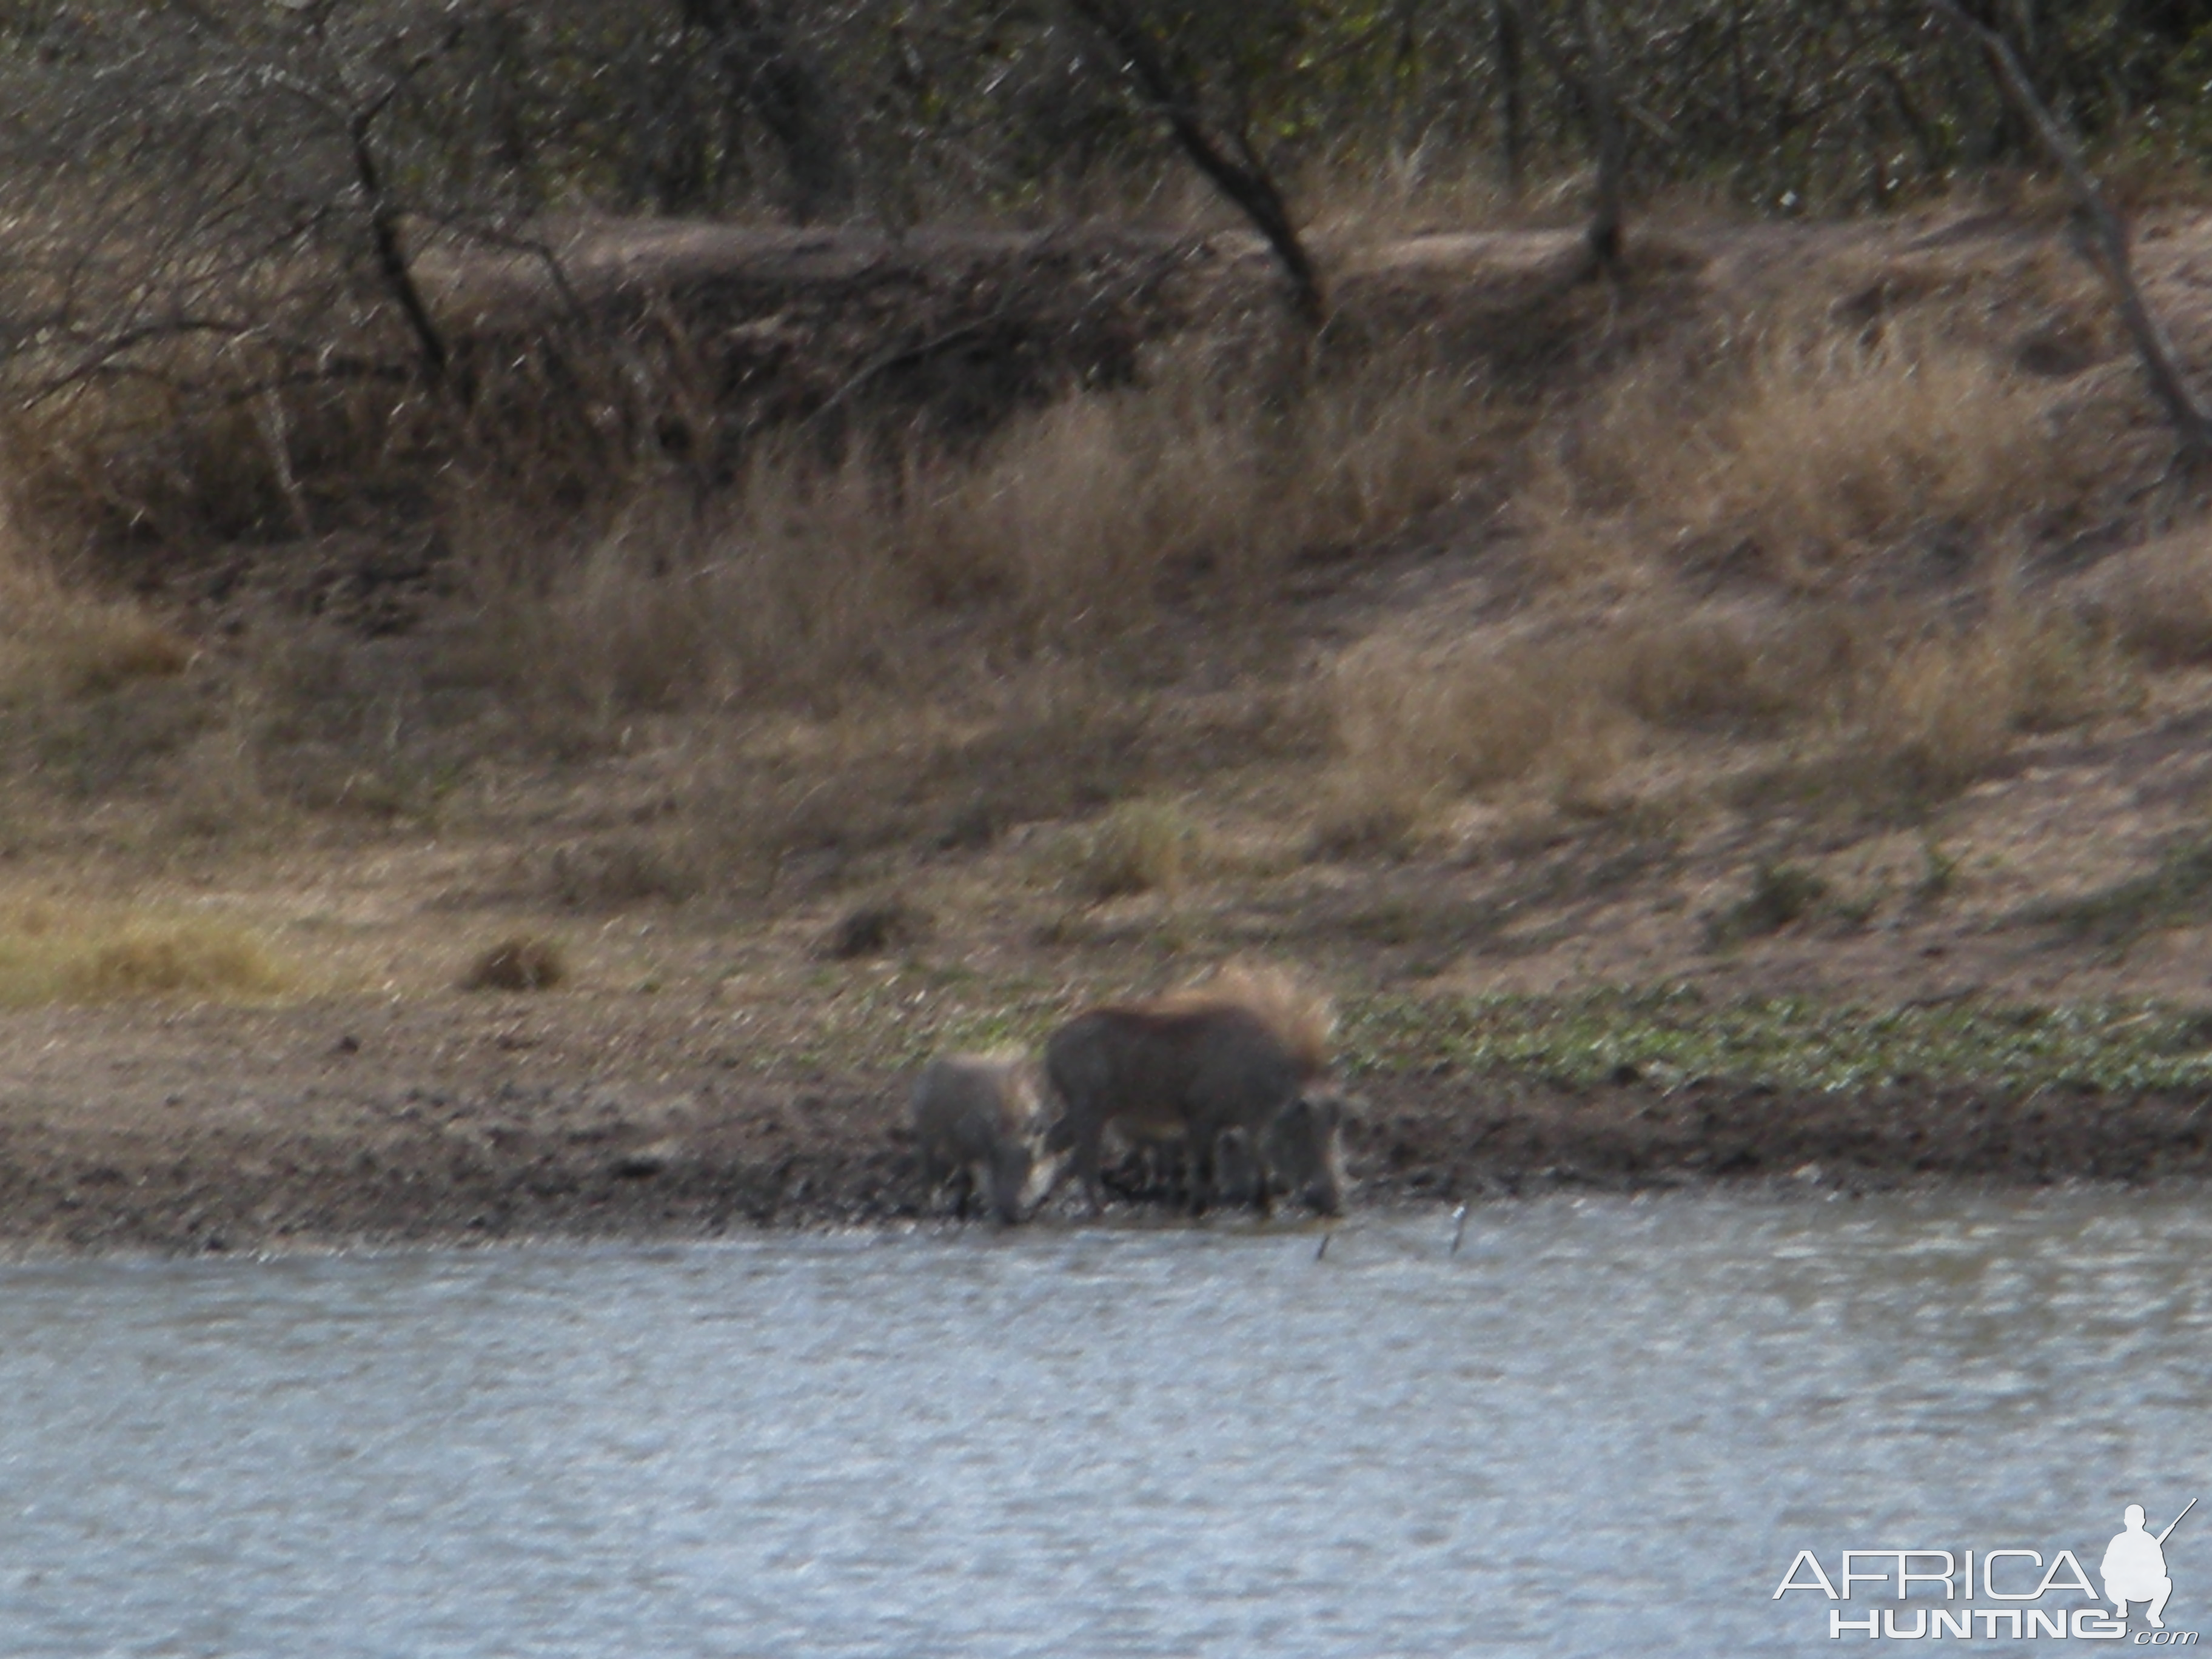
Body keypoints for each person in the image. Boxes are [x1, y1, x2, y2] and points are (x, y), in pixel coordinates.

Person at [2103, 1504, 2174, 1629]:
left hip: (2144, 1588)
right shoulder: (2118, 1541)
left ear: (2143, 1521)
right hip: (2123, 1588)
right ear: (2126, 1521)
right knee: (2110, 1583)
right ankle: (2121, 1606)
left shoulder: (2150, 1541)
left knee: (2166, 1583)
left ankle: (2153, 1614)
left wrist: (2145, 1570)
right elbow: (2105, 1569)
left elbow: (2162, 1569)